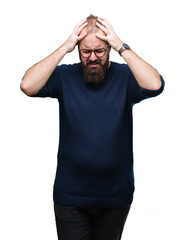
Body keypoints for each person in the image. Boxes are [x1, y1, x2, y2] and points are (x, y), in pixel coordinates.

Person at [20, 14, 165, 240]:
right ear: (78, 49)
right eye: (86, 51)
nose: (93, 57)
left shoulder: (125, 77)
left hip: (115, 197)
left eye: (100, 51)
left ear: (108, 48)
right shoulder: (65, 76)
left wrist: (121, 46)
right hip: (71, 197)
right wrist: (64, 48)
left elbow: (155, 84)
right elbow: (27, 85)